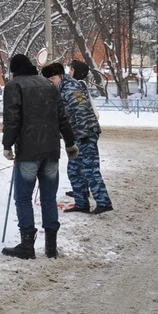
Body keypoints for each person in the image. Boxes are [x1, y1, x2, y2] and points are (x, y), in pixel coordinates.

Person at [2, 54, 78, 260]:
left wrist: (7, 145)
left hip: (28, 151)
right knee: (48, 197)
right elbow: (63, 117)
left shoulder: (14, 86)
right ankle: (51, 246)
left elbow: (12, 120)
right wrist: (70, 143)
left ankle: (27, 245)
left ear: (14, 70)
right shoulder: (48, 84)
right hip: (52, 150)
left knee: (24, 197)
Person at [43, 62, 113, 215]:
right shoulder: (61, 88)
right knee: (74, 170)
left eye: (52, 79)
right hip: (77, 136)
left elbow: (80, 111)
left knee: (89, 169)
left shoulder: (71, 88)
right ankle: (81, 203)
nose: (51, 82)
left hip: (85, 134)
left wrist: (79, 136)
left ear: (60, 76)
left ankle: (103, 202)